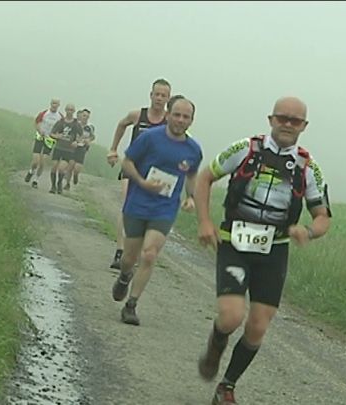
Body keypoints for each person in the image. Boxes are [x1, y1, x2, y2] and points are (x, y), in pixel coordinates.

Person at [194, 96, 332, 405]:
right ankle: (216, 345)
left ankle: (226, 386)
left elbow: (323, 217)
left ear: (304, 127)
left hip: (274, 251)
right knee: (230, 317)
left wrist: (307, 231)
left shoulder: (308, 167)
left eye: (294, 120)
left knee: (257, 326)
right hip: (235, 243)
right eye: (281, 117)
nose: (287, 124)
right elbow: (205, 178)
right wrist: (204, 221)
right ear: (270, 119)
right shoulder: (245, 149)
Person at [111, 96, 203, 326]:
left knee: (150, 254)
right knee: (129, 258)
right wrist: (142, 182)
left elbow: (191, 175)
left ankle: (131, 305)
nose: (181, 120)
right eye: (177, 115)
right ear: (168, 114)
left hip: (165, 208)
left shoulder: (193, 150)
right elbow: (127, 163)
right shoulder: (150, 138)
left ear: (192, 120)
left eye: (186, 117)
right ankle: (124, 276)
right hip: (138, 203)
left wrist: (191, 197)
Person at [106, 78, 171, 270]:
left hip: (156, 172)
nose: (159, 98)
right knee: (127, 205)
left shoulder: (170, 120)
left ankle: (135, 252)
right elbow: (121, 124)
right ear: (150, 95)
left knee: (148, 213)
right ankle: (120, 251)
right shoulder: (137, 115)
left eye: (163, 95)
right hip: (132, 166)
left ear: (168, 98)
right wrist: (113, 149)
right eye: (156, 94)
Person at [25, 99, 63, 189]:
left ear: (59, 105)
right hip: (40, 138)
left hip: (50, 140)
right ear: (50, 104)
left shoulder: (60, 117)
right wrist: (39, 130)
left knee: (42, 162)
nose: (54, 105)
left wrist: (56, 136)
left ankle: (36, 180)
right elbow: (36, 122)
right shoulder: (44, 113)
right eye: (53, 103)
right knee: (35, 161)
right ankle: (31, 172)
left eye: (56, 104)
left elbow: (61, 130)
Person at [48, 103, 83, 194]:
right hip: (58, 148)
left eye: (71, 110)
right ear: (65, 110)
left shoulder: (76, 124)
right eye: (68, 109)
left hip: (68, 150)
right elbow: (52, 133)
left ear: (74, 111)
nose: (69, 112)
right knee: (53, 167)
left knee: (61, 168)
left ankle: (59, 184)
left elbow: (81, 136)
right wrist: (57, 136)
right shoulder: (61, 122)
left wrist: (77, 142)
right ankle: (53, 186)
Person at [64, 108, 96, 191]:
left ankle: (76, 175)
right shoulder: (75, 124)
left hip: (82, 148)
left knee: (77, 168)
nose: (85, 117)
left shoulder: (90, 127)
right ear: (81, 115)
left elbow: (92, 136)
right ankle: (67, 184)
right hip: (73, 147)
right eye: (84, 115)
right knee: (70, 165)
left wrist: (88, 140)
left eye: (87, 116)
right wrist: (72, 141)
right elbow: (69, 133)